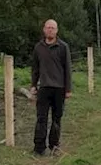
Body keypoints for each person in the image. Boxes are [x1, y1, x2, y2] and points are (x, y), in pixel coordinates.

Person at [31, 19, 72, 156]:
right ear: (44, 29)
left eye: (53, 28)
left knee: (56, 118)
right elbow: (35, 69)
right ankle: (39, 147)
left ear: (57, 30)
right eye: (48, 27)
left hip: (59, 88)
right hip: (44, 88)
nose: (50, 30)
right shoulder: (38, 48)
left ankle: (54, 146)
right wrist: (33, 85)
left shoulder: (63, 47)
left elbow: (68, 69)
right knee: (41, 118)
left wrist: (68, 89)